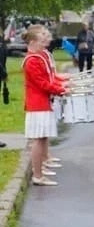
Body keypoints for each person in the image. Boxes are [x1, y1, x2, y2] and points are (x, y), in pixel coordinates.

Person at [21, 24, 67, 186]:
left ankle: (39, 170)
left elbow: (47, 80)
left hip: (42, 102)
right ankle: (38, 175)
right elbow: (42, 84)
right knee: (38, 140)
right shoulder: (32, 60)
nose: (44, 43)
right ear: (32, 42)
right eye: (41, 40)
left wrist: (62, 86)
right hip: (37, 104)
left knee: (41, 138)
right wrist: (62, 90)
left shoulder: (37, 58)